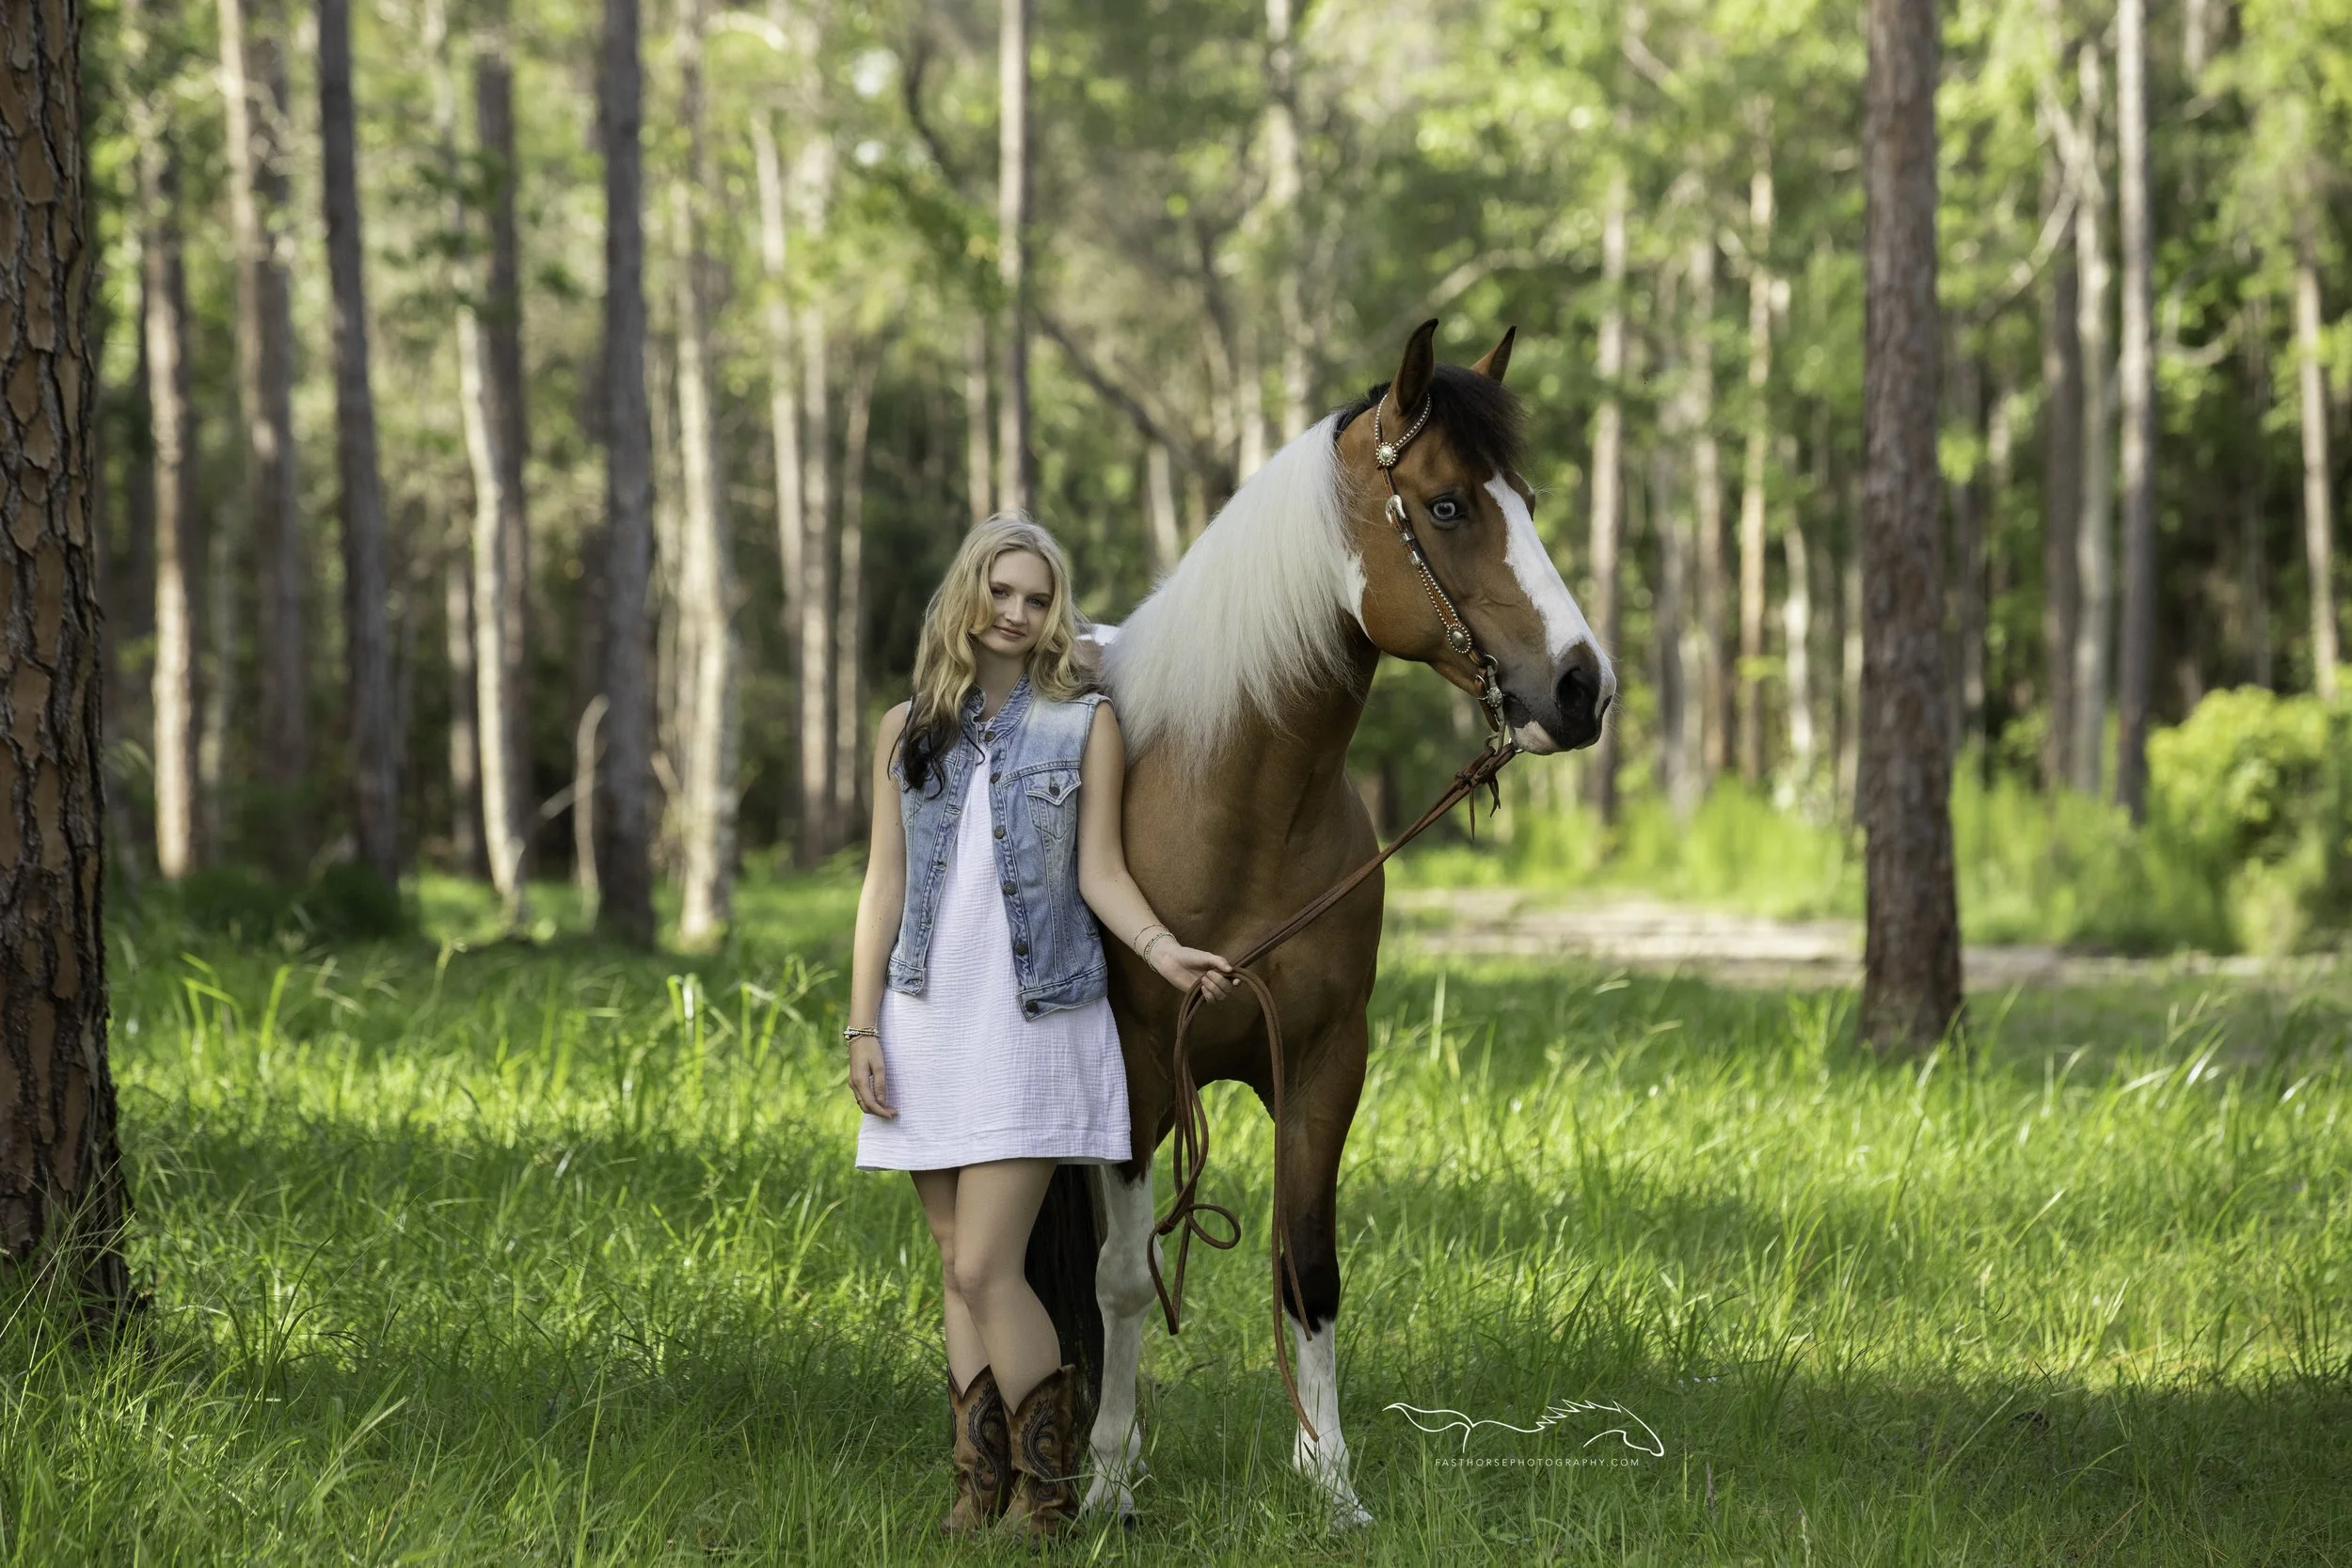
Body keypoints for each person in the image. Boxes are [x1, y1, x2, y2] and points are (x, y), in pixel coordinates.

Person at [845, 515, 1233, 1543]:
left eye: (1036, 598)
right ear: (966, 597)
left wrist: (1163, 951)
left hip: (1031, 1022)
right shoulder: (906, 729)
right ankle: (979, 1486)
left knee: (985, 1265)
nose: (1016, 614)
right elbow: (882, 885)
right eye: (1002, 592)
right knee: (950, 1256)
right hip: (925, 1014)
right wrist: (861, 1024)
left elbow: (1102, 871)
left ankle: (1047, 1493)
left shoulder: (1084, 724)